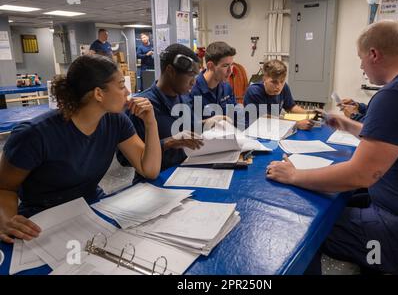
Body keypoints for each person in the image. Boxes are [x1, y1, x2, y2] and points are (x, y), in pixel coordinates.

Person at [266, 21, 398, 274]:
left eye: (361, 59)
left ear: (374, 54)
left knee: (303, 227)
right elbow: (397, 139)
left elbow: (361, 174)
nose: (362, 67)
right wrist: (348, 125)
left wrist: (294, 174)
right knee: (337, 199)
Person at [0, 55, 161, 243]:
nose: (127, 92)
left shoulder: (116, 121)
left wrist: (151, 123)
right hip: (43, 222)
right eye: (120, 85)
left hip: (92, 209)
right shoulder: (34, 135)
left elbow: (149, 169)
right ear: (99, 93)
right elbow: (5, 187)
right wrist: (6, 220)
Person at [118, 44, 204, 181]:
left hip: (184, 173)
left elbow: (193, 130)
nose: (194, 82)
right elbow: (124, 158)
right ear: (170, 70)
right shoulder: (141, 106)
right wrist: (168, 143)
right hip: (153, 182)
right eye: (190, 75)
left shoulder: (183, 98)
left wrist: (211, 122)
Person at [244, 59, 314, 130]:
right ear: (264, 78)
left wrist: (310, 113)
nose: (279, 86)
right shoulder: (254, 92)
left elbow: (291, 107)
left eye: (282, 81)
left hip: (273, 129)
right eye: (274, 82)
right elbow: (266, 118)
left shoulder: (284, 87)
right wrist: (296, 124)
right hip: (254, 131)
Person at [190, 41, 237, 121]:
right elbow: (189, 126)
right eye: (225, 66)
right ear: (210, 66)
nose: (230, 71)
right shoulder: (193, 91)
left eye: (231, 65)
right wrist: (209, 122)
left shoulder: (227, 88)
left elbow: (235, 117)